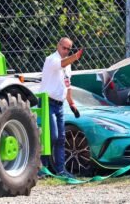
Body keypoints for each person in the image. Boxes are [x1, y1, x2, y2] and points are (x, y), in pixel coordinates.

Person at [39, 37, 83, 178]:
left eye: (68, 49)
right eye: (63, 48)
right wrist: (75, 57)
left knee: (61, 138)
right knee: (51, 136)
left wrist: (71, 103)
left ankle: (61, 170)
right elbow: (62, 63)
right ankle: (42, 169)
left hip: (59, 104)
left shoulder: (67, 65)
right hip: (47, 102)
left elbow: (67, 84)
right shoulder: (52, 59)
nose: (65, 51)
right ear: (58, 46)